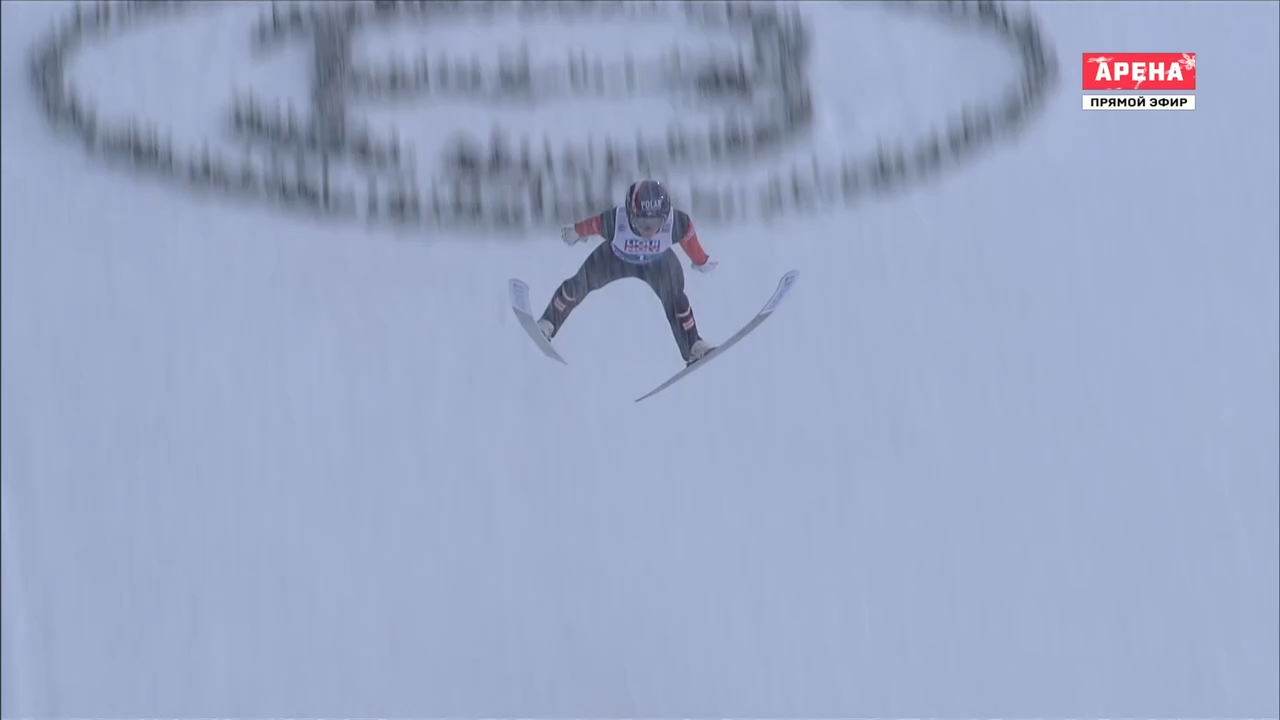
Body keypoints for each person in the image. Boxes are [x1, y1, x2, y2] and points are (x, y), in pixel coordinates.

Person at [538, 179, 718, 366]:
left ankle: (693, 345)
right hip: (614, 259)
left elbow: (690, 240)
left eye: (656, 222)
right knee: (578, 285)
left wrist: (701, 260)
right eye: (642, 222)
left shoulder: (676, 223)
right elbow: (593, 224)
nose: (649, 231)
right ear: (630, 215)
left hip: (658, 265)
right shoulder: (615, 220)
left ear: (666, 217)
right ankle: (548, 323)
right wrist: (577, 231)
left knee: (677, 299)